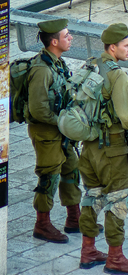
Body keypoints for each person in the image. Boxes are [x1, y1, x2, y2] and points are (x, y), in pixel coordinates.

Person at [78, 23, 128, 274]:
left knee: (92, 196)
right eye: (127, 45)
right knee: (118, 200)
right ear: (112, 47)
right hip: (113, 148)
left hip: (89, 146)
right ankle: (115, 258)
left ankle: (87, 250)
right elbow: (127, 116)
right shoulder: (116, 74)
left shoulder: (91, 64)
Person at [27, 18, 82, 244]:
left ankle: (74, 218)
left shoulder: (57, 62)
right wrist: (62, 122)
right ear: (53, 41)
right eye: (66, 35)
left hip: (60, 130)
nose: (70, 38)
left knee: (71, 169)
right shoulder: (41, 70)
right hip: (47, 133)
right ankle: (42, 224)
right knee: (49, 176)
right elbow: (38, 110)